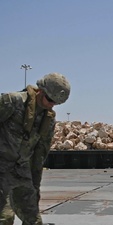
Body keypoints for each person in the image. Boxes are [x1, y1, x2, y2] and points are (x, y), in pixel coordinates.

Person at [0, 73, 71, 225]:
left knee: (34, 220)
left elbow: (39, 156)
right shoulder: (12, 101)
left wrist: (35, 188)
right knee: (5, 218)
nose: (51, 105)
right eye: (50, 100)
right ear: (40, 90)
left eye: (56, 103)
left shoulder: (48, 118)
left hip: (21, 170)